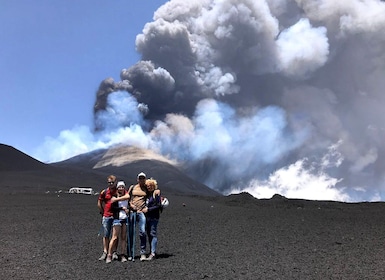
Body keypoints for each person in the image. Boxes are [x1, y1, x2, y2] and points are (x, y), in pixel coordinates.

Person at [112, 172, 149, 261]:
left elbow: (150, 197)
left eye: (143, 178)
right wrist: (131, 205)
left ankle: (143, 253)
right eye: (140, 178)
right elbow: (128, 197)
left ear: (145, 179)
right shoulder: (133, 187)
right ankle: (129, 253)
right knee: (131, 233)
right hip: (132, 212)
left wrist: (147, 207)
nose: (141, 180)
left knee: (143, 232)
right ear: (137, 179)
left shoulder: (146, 188)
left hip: (141, 212)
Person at [106, 181, 129, 263]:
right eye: (120, 187)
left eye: (122, 187)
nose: (121, 188)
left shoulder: (126, 196)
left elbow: (128, 203)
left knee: (123, 237)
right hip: (117, 218)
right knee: (114, 237)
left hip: (125, 219)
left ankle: (122, 255)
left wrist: (128, 210)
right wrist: (122, 208)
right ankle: (109, 255)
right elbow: (113, 208)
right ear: (117, 188)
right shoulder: (114, 197)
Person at [97, 175, 118, 261]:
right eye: (109, 182)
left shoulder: (118, 191)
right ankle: (105, 251)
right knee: (106, 235)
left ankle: (114, 252)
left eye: (112, 182)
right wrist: (102, 211)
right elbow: (99, 202)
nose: (111, 184)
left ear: (115, 182)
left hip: (116, 216)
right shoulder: (104, 192)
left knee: (115, 235)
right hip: (106, 216)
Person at [142, 178, 162, 261]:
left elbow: (158, 205)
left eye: (150, 186)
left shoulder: (155, 194)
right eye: (147, 186)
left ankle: (153, 253)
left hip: (153, 217)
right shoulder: (147, 195)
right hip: (147, 217)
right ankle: (151, 251)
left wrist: (149, 209)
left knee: (153, 233)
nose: (149, 187)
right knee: (149, 234)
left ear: (154, 186)